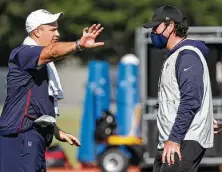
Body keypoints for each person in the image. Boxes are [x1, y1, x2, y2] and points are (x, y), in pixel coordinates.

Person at [0, 9, 104, 172]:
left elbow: (37, 106)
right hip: (20, 136)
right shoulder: (24, 53)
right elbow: (53, 51)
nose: (57, 34)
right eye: (52, 29)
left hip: (34, 138)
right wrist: (79, 45)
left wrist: (57, 131)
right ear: (37, 32)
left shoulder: (40, 63)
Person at [143, 5, 214, 172]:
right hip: (173, 140)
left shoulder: (187, 56)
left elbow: (191, 99)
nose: (153, 31)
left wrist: (174, 139)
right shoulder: (176, 55)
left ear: (171, 26)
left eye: (156, 26)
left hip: (182, 140)